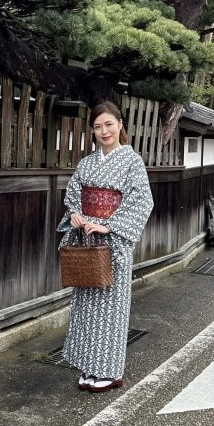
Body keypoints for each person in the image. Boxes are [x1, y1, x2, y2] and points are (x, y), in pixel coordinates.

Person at [57, 101, 154, 393]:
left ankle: (110, 372)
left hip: (113, 242)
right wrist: (75, 214)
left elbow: (142, 201)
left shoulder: (132, 161)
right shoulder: (87, 163)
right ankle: (89, 366)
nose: (104, 131)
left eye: (109, 124)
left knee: (111, 307)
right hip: (87, 241)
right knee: (85, 306)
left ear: (120, 125)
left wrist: (109, 225)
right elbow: (74, 194)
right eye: (98, 126)